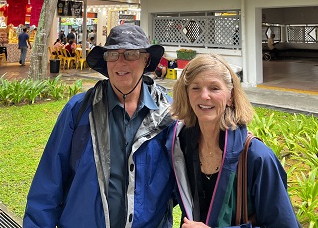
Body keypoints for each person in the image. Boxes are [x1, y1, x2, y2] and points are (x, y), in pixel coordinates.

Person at [23, 24, 176, 227]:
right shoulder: (79, 110)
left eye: (130, 54)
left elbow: (184, 185)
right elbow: (47, 185)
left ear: (146, 59)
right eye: (113, 54)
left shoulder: (168, 114)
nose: (120, 62)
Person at [170, 54, 300, 228]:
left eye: (214, 88)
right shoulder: (181, 145)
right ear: (186, 94)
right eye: (195, 88)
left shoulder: (257, 157)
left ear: (230, 96)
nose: (204, 96)